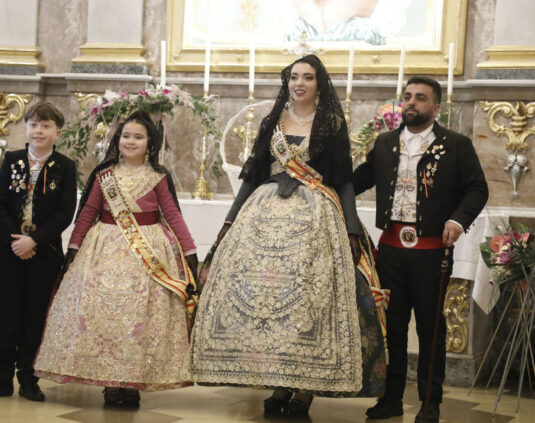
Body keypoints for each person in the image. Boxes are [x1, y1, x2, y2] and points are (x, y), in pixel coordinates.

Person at [190, 54, 387, 417]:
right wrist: (230, 222)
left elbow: (343, 179)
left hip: (315, 217)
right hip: (263, 215)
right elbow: (251, 177)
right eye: (294, 77)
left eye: (307, 77)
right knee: (272, 303)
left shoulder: (331, 125)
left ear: (319, 84)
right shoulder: (272, 121)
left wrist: (352, 226)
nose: (299, 83)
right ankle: (281, 383)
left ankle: (306, 389)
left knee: (307, 301)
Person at [33, 110, 199, 406]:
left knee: (138, 318)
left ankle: (132, 381)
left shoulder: (158, 177)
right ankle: (109, 381)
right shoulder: (104, 175)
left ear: (150, 143)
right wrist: (73, 248)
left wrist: (190, 251)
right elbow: (87, 213)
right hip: (104, 248)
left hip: (148, 253)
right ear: (117, 140)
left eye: (138, 137)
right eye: (126, 136)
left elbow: (172, 213)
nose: (131, 141)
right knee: (101, 314)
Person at [354, 76, 488, 423]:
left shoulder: (456, 145)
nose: (411, 103)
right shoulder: (384, 143)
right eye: (408, 97)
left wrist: (457, 222)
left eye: (420, 98)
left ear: (436, 107)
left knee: (430, 330)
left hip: (432, 251)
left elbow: (477, 189)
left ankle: (430, 405)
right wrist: (322, 187)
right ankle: (391, 400)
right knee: (393, 328)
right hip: (391, 250)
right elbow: (360, 179)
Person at [0, 101, 77, 402]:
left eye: (46, 126)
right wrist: (15, 240)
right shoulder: (13, 159)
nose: (38, 131)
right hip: (9, 251)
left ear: (58, 131)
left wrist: (35, 241)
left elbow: (65, 213)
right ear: (26, 128)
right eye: (33, 124)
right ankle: (1, 377)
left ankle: (29, 378)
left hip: (43, 252)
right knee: (6, 313)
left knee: (34, 314)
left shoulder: (65, 167)